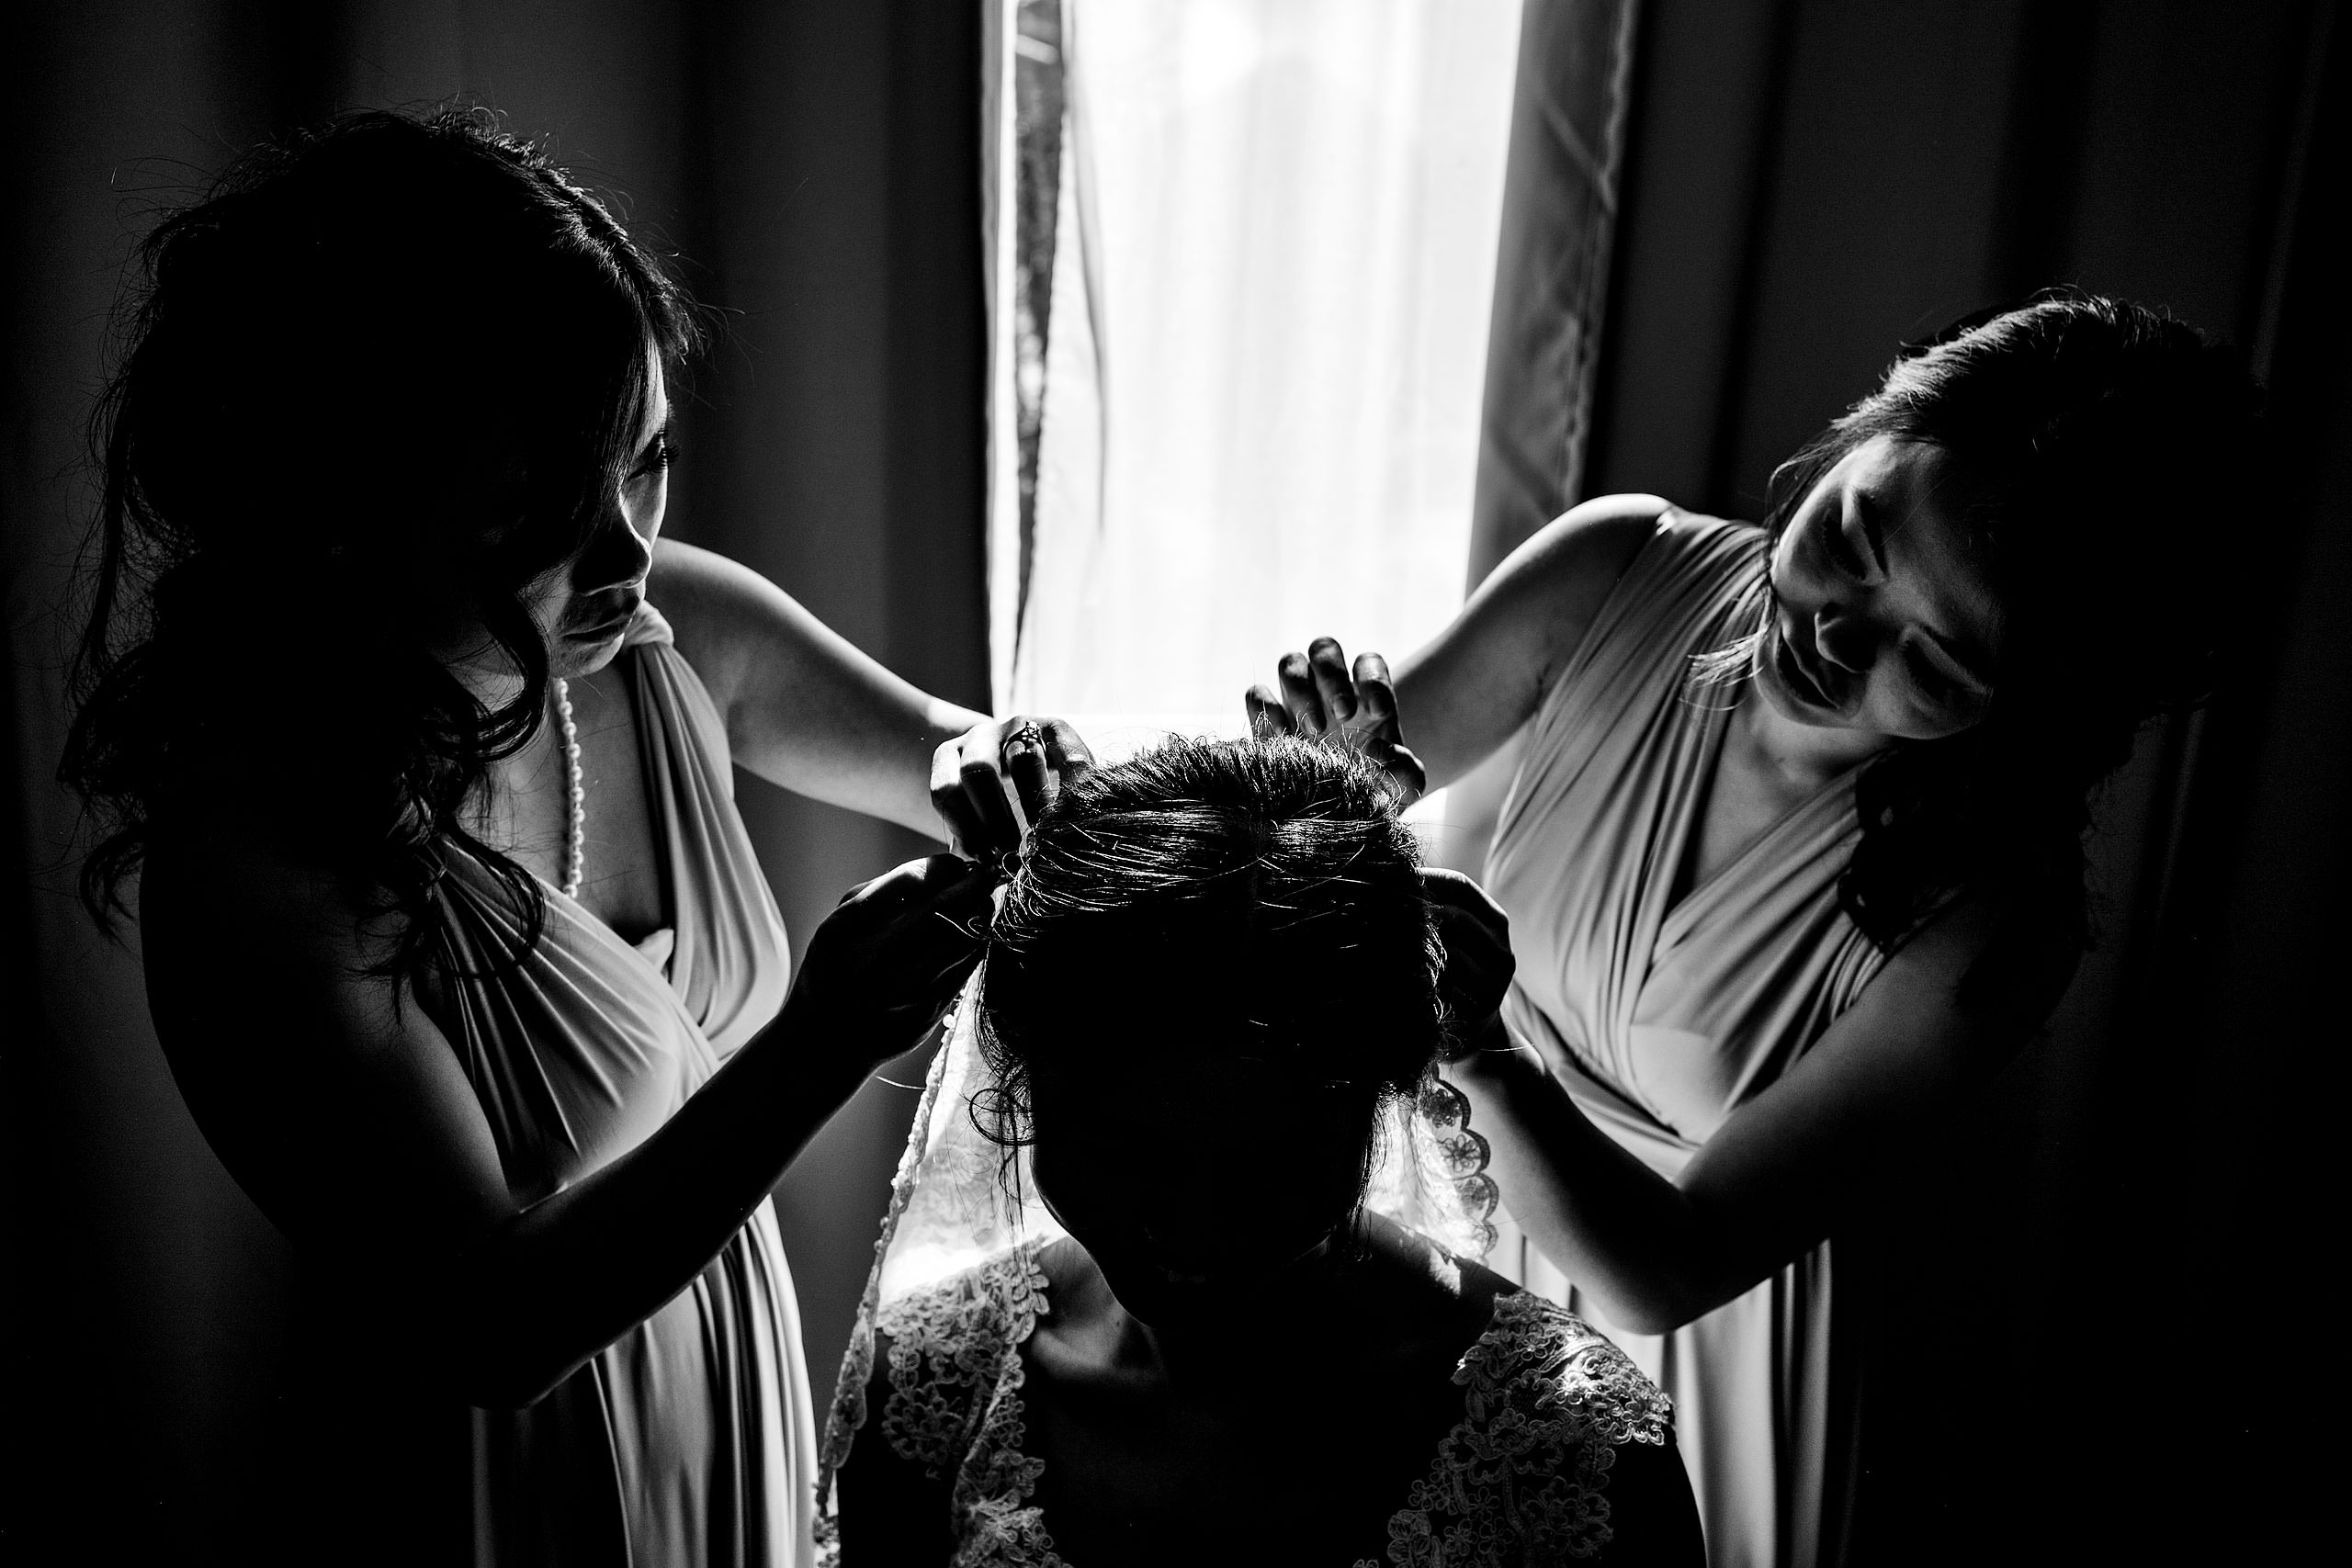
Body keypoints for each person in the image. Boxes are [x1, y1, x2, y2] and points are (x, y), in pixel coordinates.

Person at [61, 108, 1081, 1567]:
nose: (626, 550)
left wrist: (993, 756)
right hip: (497, 1498)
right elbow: (492, 1322)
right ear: (346, 507)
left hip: (725, 1420)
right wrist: (819, 1040)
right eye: (543, 504)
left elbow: (955, 747)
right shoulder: (265, 862)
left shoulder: (672, 638)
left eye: (647, 464)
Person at [1247, 293, 2260, 1566]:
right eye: (1854, 532)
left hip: (1678, 1353)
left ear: (2034, 711)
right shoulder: (1617, 566)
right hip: (1437, 1235)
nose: (1835, 635)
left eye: (1932, 662)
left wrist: (1479, 1046)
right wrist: (1323, 789)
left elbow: (1667, 1268)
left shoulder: (1995, 919)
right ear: (1856, 437)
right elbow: (1340, 798)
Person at [823, 737, 1707, 1567]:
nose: (1196, 1228)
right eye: (1125, 1149)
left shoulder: (1573, 1447)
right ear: (1018, 1081)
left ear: (1384, 1094)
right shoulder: (927, 1392)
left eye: (1270, 1163)